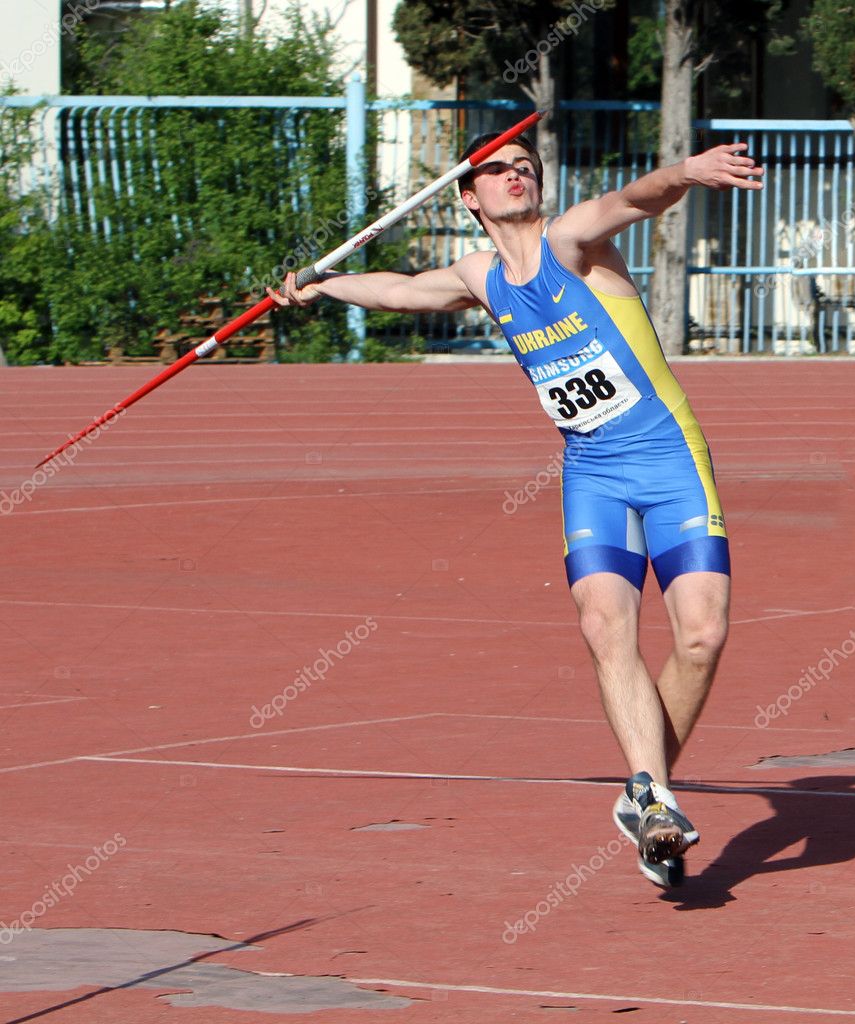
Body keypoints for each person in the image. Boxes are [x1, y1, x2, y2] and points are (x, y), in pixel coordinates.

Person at [269, 131, 764, 887]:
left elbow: (636, 199)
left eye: (526, 166)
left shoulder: (572, 244)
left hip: (670, 462)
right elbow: (402, 290)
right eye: (499, 169)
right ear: (470, 196)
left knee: (702, 637)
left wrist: (689, 173)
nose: (517, 174)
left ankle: (645, 791)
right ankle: (654, 798)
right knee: (606, 625)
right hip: (592, 475)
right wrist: (323, 285)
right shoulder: (480, 274)